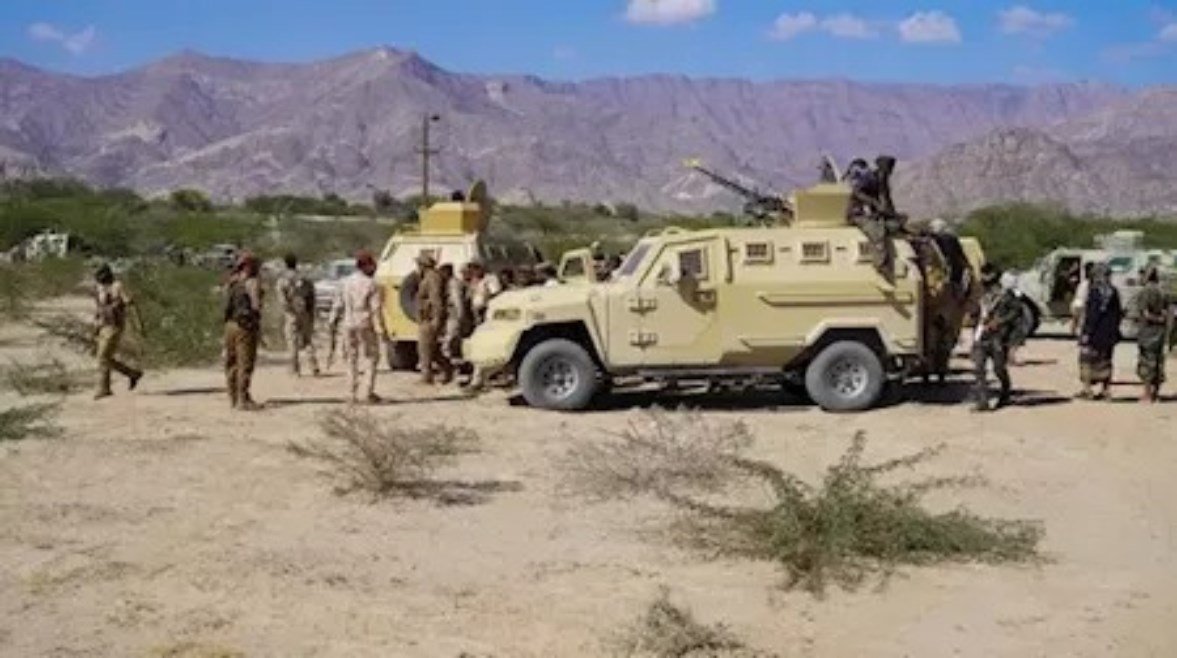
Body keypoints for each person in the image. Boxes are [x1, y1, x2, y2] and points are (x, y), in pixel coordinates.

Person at [331, 250, 386, 404]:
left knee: (351, 358)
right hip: (365, 322)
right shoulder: (371, 284)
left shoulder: (345, 282)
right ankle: (368, 392)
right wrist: (381, 329)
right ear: (366, 266)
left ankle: (351, 393)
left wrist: (333, 322)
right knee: (372, 357)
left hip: (348, 323)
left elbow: (338, 304)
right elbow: (376, 309)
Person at [971, 264, 1022, 412]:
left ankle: (1005, 390)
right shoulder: (981, 295)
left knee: (998, 368)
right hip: (981, 335)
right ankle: (983, 401)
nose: (985, 280)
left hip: (998, 337)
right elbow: (976, 312)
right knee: (979, 368)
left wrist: (999, 322)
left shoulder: (1006, 295)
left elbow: (1016, 312)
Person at [91, 263, 144, 400]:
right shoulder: (98, 288)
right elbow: (98, 308)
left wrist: (139, 324)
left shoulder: (117, 286)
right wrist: (96, 325)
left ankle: (104, 388)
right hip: (102, 325)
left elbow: (129, 303)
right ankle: (132, 373)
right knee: (104, 357)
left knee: (102, 356)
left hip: (114, 325)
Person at [223, 252, 263, 410]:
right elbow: (256, 305)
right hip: (245, 327)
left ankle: (233, 397)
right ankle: (243, 399)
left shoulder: (231, 282)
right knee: (245, 362)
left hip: (229, 325)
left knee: (231, 362)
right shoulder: (252, 282)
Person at [1076, 262, 1122, 401]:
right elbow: (1118, 313)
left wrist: (1086, 332)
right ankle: (1106, 390)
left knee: (1087, 360)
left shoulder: (1095, 291)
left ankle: (1087, 390)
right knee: (1106, 360)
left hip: (1095, 333)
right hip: (1109, 333)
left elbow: (1092, 314)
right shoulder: (1113, 292)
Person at [275, 253, 320, 377]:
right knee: (307, 340)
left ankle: (295, 369)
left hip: (291, 314)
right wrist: (310, 313)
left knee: (292, 342)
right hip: (305, 313)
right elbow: (312, 297)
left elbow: (282, 299)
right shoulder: (304, 279)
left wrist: (288, 309)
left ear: (285, 264)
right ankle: (314, 366)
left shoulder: (283, 280)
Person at [414, 253, 452, 385]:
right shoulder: (427, 277)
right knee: (431, 348)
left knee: (425, 347)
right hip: (426, 316)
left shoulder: (432, 278)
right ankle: (446, 369)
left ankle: (427, 376)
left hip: (430, 317)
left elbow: (436, 298)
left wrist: (437, 318)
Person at [1135, 265, 1169, 402]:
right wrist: (1161, 320)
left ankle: (1147, 394)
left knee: (1146, 362)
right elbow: (1166, 313)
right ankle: (1156, 393)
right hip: (1160, 331)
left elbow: (1145, 313)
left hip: (1148, 331)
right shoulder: (1162, 291)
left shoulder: (1145, 292)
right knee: (1158, 361)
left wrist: (1153, 319)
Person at [439, 263, 471, 363]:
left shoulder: (454, 284)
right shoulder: (451, 283)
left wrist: (461, 316)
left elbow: (458, 301)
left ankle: (451, 361)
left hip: (454, 315)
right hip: (452, 314)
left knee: (451, 339)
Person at [1070, 262, 1095, 336]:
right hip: (1081, 302)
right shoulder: (1085, 283)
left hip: (1080, 302)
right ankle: (1075, 332)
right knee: (1079, 318)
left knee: (1078, 318)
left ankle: (1075, 332)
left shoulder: (1084, 283)